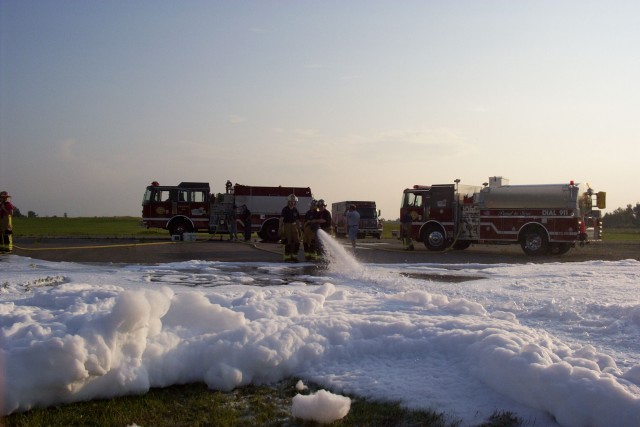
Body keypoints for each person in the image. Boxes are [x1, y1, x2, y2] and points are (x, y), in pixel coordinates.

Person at [279, 194, 302, 262]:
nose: (292, 202)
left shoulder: (295, 210)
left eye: (293, 201)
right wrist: (280, 228)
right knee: (288, 241)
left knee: (297, 241)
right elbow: (281, 219)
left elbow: (297, 220)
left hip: (294, 226)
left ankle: (294, 256)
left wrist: (299, 229)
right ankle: (287, 257)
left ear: (295, 202)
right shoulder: (285, 209)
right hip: (287, 226)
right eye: (291, 201)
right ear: (288, 201)